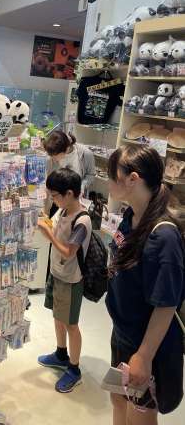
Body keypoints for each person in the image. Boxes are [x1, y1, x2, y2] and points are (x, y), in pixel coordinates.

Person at [106, 144, 184, 423]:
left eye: (112, 175)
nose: (108, 181)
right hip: (123, 333)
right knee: (118, 399)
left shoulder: (164, 237)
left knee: (139, 414)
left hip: (145, 344)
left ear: (132, 179)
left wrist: (144, 355)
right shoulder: (131, 217)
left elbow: (166, 305)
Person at [37, 168, 92, 393]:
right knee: (57, 315)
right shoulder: (63, 210)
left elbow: (69, 252)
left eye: (55, 195)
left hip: (70, 279)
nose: (53, 200)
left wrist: (48, 235)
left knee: (71, 324)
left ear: (69, 193)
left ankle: (74, 369)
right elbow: (53, 226)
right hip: (57, 273)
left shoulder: (82, 220)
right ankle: (61, 354)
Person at [44, 130, 96, 196]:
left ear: (67, 149)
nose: (52, 159)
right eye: (51, 156)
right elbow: (49, 178)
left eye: (55, 156)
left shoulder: (86, 154)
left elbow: (91, 175)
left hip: (76, 195)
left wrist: (82, 186)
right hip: (57, 196)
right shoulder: (51, 155)